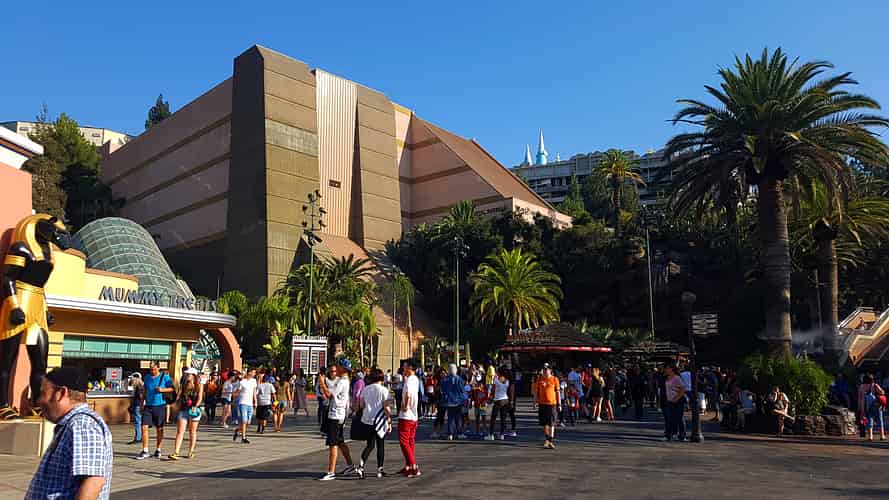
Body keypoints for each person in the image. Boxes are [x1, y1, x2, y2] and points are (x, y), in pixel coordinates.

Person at [25, 367, 113, 500]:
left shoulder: (82, 425)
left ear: (61, 393)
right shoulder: (73, 424)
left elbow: (93, 482)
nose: (39, 401)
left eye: (43, 394)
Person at [319, 358, 356, 481]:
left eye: (337, 367)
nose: (335, 370)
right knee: (340, 441)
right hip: (339, 414)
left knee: (333, 443)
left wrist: (322, 383)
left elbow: (329, 395)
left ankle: (331, 472)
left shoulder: (342, 382)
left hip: (335, 415)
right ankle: (350, 465)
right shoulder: (343, 381)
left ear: (342, 368)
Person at [357, 369, 391, 479]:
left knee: (370, 445)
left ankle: (361, 466)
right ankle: (380, 469)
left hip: (367, 420)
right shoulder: (384, 390)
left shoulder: (365, 389)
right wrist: (389, 420)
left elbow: (361, 405)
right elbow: (386, 407)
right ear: (382, 378)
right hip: (379, 421)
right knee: (380, 445)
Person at [136, 362, 174, 460]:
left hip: (160, 405)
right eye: (150, 369)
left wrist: (162, 390)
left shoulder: (165, 377)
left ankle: (158, 449)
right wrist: (142, 403)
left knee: (159, 428)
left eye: (154, 369)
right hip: (148, 405)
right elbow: (145, 390)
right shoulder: (147, 377)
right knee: (144, 426)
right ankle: (145, 450)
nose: (152, 371)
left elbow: (172, 389)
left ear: (158, 368)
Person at [168, 367, 204, 459]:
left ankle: (191, 451)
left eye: (189, 374)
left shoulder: (199, 385)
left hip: (194, 410)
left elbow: (200, 398)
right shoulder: (184, 384)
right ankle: (176, 452)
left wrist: (196, 406)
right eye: (186, 374)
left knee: (192, 431)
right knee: (180, 431)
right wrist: (175, 403)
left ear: (194, 375)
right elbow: (179, 396)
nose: (187, 375)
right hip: (184, 409)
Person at [398, 359, 422, 478]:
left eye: (405, 366)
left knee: (404, 442)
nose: (403, 368)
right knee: (410, 441)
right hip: (413, 416)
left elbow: (407, 394)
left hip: (406, 416)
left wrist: (405, 406)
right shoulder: (415, 379)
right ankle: (408, 465)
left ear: (410, 367)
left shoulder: (409, 381)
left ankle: (413, 466)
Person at [535, 364, 560, 449]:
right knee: (545, 423)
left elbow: (557, 392)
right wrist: (535, 402)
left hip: (552, 404)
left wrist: (559, 404)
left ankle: (551, 441)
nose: (545, 371)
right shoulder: (540, 379)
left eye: (547, 369)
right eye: (544, 369)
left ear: (550, 370)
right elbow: (536, 391)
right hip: (542, 404)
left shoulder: (554, 379)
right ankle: (547, 440)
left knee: (551, 423)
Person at [232, 368, 257, 444]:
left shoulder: (254, 381)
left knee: (248, 422)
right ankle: (243, 438)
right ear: (249, 373)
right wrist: (233, 396)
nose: (254, 374)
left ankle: (237, 430)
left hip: (250, 404)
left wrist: (255, 401)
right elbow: (238, 391)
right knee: (244, 421)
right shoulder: (242, 382)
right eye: (253, 372)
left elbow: (254, 391)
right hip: (242, 403)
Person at [441, 363, 466, 440]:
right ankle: (459, 433)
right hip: (458, 401)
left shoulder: (445, 379)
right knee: (458, 418)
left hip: (449, 401)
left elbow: (443, 390)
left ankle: (450, 434)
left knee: (450, 418)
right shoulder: (459, 379)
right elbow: (462, 390)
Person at [858, 374, 886, 441]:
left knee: (870, 421)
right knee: (880, 421)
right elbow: (882, 392)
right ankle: (882, 436)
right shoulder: (874, 385)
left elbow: (860, 399)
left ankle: (870, 436)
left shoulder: (861, 387)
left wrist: (860, 408)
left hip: (867, 406)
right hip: (877, 405)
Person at [663, 364, 687, 441]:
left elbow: (683, 389)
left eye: (667, 368)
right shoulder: (667, 378)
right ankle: (671, 435)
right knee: (670, 418)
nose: (666, 370)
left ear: (671, 369)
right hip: (670, 400)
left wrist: (676, 398)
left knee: (679, 418)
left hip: (678, 401)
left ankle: (682, 436)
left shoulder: (677, 378)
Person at [489, 367, 511, 440]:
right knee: (503, 418)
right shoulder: (507, 380)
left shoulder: (496, 380)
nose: (496, 373)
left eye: (497, 372)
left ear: (499, 372)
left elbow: (492, 390)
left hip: (498, 400)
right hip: (505, 399)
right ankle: (502, 435)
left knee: (493, 418)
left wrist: (490, 398)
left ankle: (491, 435)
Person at [127, 373, 144, 445]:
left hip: (138, 405)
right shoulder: (141, 386)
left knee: (138, 422)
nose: (132, 381)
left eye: (132, 379)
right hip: (139, 405)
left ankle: (138, 438)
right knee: (140, 422)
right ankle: (140, 437)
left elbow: (141, 397)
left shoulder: (139, 387)